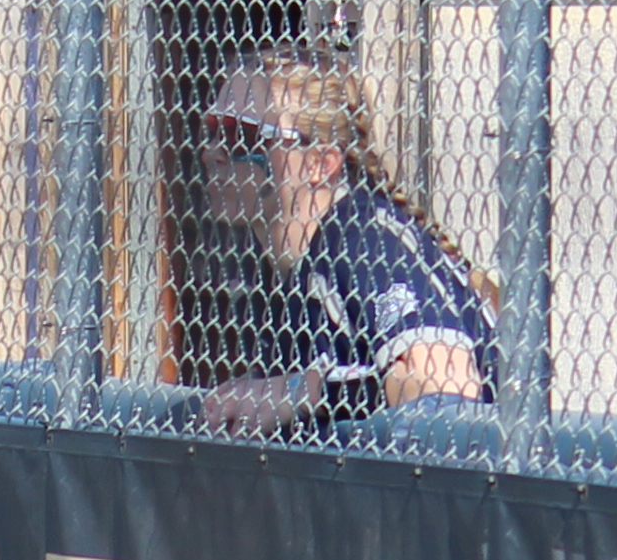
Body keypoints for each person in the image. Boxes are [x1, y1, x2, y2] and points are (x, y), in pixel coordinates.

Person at [192, 60, 494, 429]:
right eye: (210, 131)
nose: (212, 152)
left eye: (242, 135)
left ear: (320, 163)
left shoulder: (365, 239)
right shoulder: (278, 271)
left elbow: (446, 383)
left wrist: (299, 392)